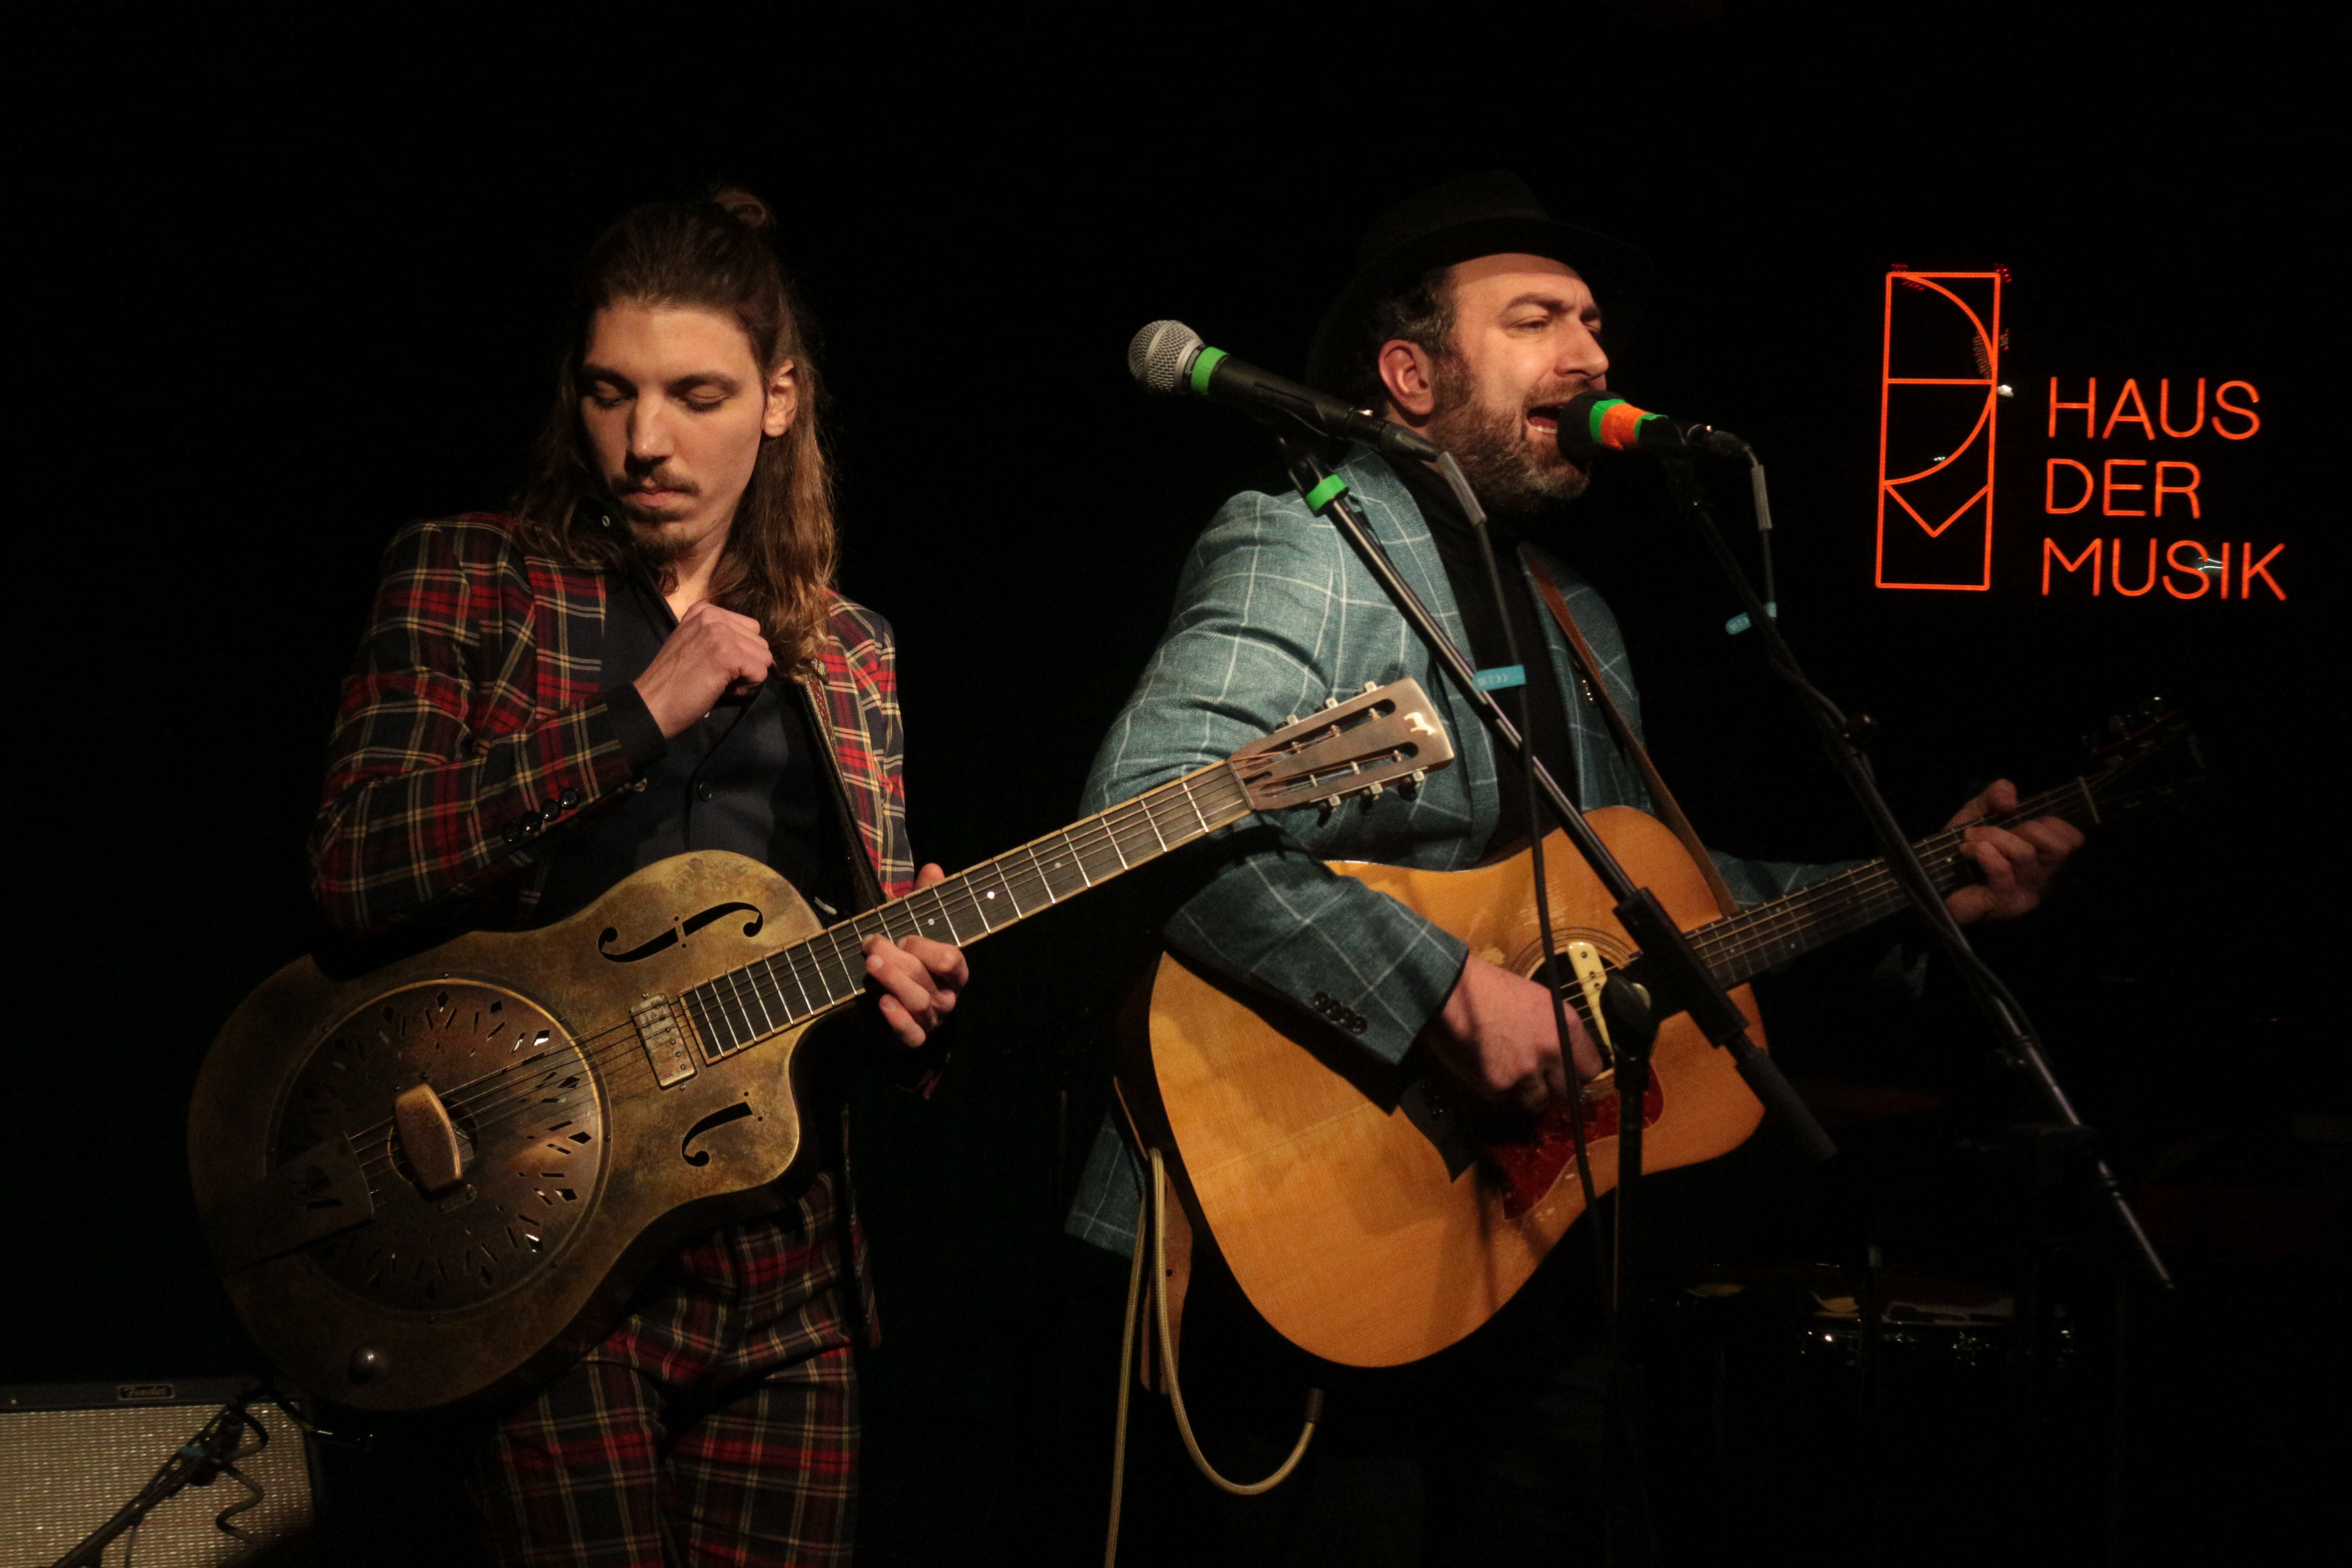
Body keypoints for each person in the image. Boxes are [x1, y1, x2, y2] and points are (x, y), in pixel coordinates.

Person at [1064, 172, 2081, 1563]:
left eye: (1594, 322)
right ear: (1409, 375)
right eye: (1537, 318)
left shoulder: (1577, 611)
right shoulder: (1307, 548)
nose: (1593, 356)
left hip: (1527, 1251)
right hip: (1307, 1230)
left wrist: (1915, 891)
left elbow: (1654, 899)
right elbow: (1150, 804)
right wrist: (1442, 994)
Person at [309, 187, 967, 1568]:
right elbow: (359, 866)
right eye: (611, 392)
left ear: (778, 399)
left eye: (695, 394)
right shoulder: (474, 576)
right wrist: (634, 718)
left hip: (783, 1263)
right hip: (543, 1238)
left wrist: (907, 982)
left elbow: (847, 934)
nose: (645, 440)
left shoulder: (848, 647)